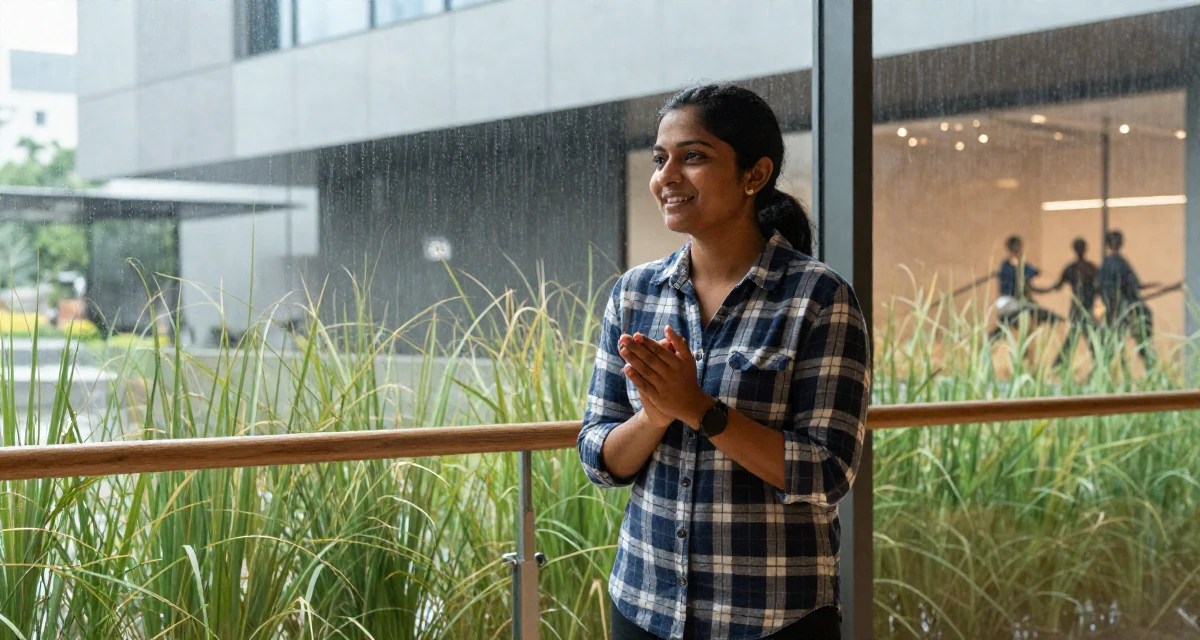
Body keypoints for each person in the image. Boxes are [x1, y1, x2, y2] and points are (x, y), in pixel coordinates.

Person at [578, 84, 871, 640]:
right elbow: (598, 454)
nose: (666, 176)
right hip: (645, 607)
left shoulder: (818, 296)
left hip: (773, 617)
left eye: (693, 157)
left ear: (754, 175)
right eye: (660, 158)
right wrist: (658, 414)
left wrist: (701, 410)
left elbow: (828, 472)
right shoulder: (636, 293)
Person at [1034, 237, 1098, 366]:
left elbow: (1056, 287)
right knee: (1085, 338)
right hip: (1080, 309)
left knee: (1083, 338)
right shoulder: (1081, 268)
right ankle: (1060, 364)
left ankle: (1059, 364)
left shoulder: (1081, 268)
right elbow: (1056, 287)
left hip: (1084, 309)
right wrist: (1037, 290)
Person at [1098, 230, 1157, 367]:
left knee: (1143, 321)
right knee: (1117, 340)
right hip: (1121, 307)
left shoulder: (1121, 262)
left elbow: (1134, 283)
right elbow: (1104, 286)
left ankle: (1147, 361)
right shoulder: (1110, 263)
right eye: (1114, 241)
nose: (1116, 244)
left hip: (1126, 304)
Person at [989, 235, 1058, 342]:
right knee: (1006, 327)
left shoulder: (1020, 266)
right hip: (1011, 303)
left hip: (1018, 303)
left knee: (1037, 317)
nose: (1018, 249)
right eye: (1016, 247)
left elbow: (1033, 278)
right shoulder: (1010, 266)